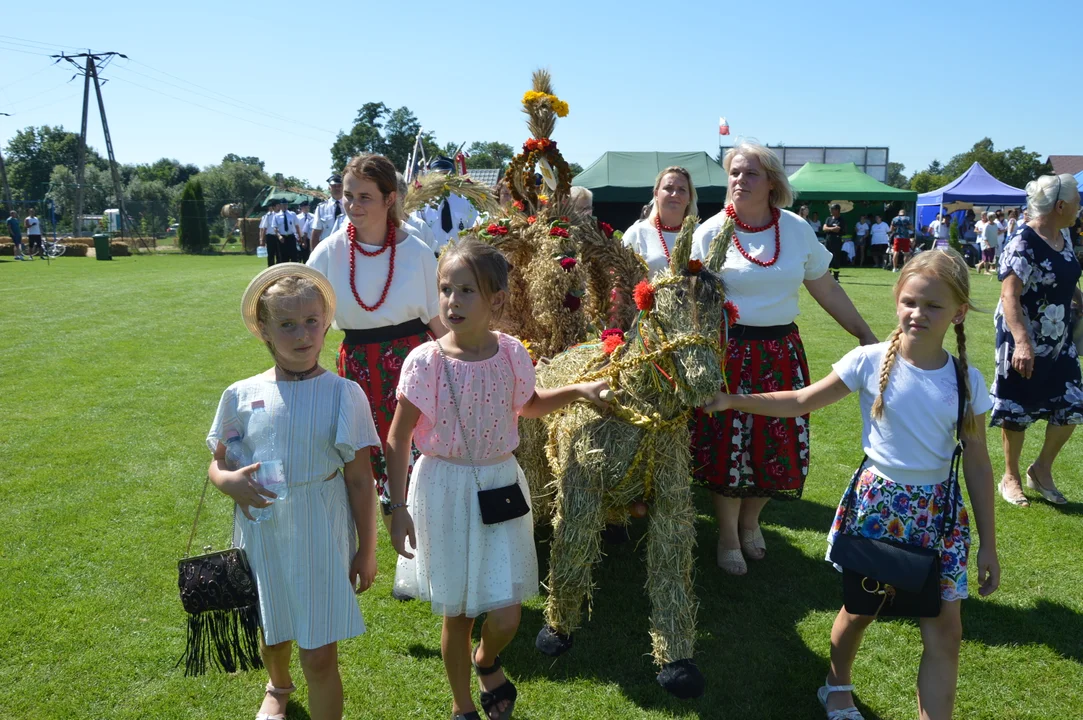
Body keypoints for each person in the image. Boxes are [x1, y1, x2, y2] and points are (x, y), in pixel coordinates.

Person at [702, 248, 1000, 720]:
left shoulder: (968, 381)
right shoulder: (868, 360)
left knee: (946, 631)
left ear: (960, 312)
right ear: (897, 300)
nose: (918, 313)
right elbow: (799, 400)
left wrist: (988, 543)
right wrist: (732, 399)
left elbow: (979, 465)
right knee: (861, 610)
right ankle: (836, 683)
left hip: (939, 518)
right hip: (878, 507)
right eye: (910, 301)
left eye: (934, 306)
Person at [387, 239, 609, 720]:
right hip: (444, 489)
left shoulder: (511, 353)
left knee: (506, 612)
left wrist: (577, 390)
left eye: (466, 291)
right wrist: (398, 508)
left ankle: (486, 657)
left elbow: (527, 405)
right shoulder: (425, 362)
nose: (452, 301)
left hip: (499, 483)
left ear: (497, 301)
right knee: (460, 611)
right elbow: (398, 438)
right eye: (446, 289)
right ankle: (462, 704)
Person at [689, 141, 877, 576]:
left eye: (750, 173)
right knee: (728, 448)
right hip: (727, 353)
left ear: (772, 182)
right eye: (734, 172)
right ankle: (728, 534)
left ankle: (752, 520)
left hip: (781, 354)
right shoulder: (710, 232)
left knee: (778, 444)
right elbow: (692, 301)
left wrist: (865, 334)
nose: (739, 180)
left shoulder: (794, 230)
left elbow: (825, 287)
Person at [206, 263, 380, 720]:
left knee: (320, 655)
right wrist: (229, 482)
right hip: (262, 530)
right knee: (272, 626)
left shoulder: (344, 394)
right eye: (286, 324)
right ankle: (277, 685)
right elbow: (218, 461)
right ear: (263, 330)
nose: (302, 335)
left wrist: (367, 548)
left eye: (311, 322)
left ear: (325, 324)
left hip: (321, 531)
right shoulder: (240, 395)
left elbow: (360, 478)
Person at [307, 153, 448, 525]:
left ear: (390, 199)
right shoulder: (328, 252)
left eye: (364, 197)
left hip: (414, 363)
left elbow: (438, 319)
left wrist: (469, 361)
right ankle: (399, 547)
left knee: (418, 452)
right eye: (348, 195)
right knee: (368, 456)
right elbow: (311, 320)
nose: (353, 205)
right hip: (357, 365)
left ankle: (427, 544)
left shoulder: (417, 251)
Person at [991, 174, 1083, 507]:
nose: (1079, 208)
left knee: (1071, 405)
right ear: (1060, 205)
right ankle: (1010, 476)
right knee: (1017, 407)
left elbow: (1063, 272)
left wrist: (1080, 298)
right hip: (1023, 335)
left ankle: (1041, 469)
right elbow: (1009, 294)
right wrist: (1022, 342)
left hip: (1059, 338)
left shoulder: (1064, 235)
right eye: (1076, 202)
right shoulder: (1022, 241)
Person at [622, 166, 698, 278]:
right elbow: (620, 280)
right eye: (668, 188)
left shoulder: (702, 233)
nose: (675, 194)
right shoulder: (637, 233)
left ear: (690, 197)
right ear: (656, 194)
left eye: (682, 190)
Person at [409, 157, 480, 254]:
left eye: (447, 175)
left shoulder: (465, 201)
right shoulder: (422, 204)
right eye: (438, 175)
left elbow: (475, 226)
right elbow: (416, 231)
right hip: (431, 256)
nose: (443, 179)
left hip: (459, 257)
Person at [311, 174, 346, 247]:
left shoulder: (350, 205)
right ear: (329, 188)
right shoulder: (322, 208)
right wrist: (313, 255)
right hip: (328, 247)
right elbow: (316, 232)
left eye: (339, 185)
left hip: (346, 247)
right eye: (334, 186)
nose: (337, 188)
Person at [259, 199, 286, 267]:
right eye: (277, 205)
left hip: (279, 236)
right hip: (271, 236)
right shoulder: (268, 216)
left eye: (279, 205)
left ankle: (279, 268)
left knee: (279, 254)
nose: (279, 207)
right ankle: (270, 268)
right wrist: (262, 240)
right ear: (273, 207)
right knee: (271, 254)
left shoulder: (282, 215)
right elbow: (264, 228)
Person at [823, 203, 846, 281]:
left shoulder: (841, 220)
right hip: (828, 240)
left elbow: (838, 229)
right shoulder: (828, 219)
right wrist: (832, 228)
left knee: (835, 258)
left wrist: (828, 228)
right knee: (827, 258)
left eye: (832, 209)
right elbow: (824, 228)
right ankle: (827, 277)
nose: (830, 210)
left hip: (836, 241)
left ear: (837, 210)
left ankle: (836, 277)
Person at [890, 208, 913, 272]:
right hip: (905, 237)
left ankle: (894, 268)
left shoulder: (894, 219)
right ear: (904, 213)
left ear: (899, 213)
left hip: (897, 237)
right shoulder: (907, 218)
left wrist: (895, 229)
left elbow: (891, 229)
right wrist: (907, 227)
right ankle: (905, 268)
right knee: (906, 253)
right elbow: (911, 228)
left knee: (896, 252)